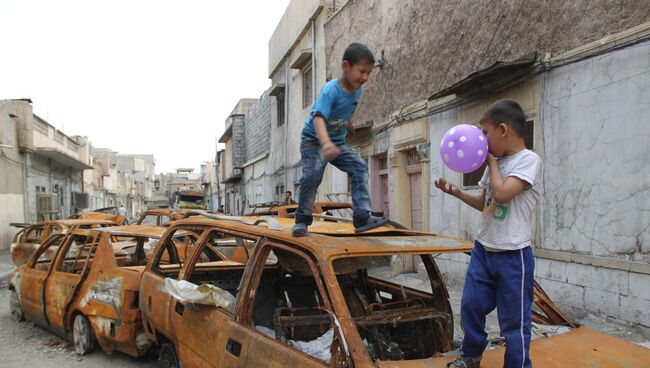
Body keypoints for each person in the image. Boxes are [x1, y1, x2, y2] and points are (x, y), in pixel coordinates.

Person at [436, 100, 542, 368]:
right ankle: (471, 357)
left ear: (503, 129)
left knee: (514, 322)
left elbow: (503, 194)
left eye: (484, 132)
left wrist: (492, 163)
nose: (481, 139)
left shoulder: (529, 160)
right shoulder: (495, 165)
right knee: (470, 305)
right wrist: (457, 192)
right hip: (484, 249)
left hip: (513, 255)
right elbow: (487, 203)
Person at [292, 43, 386, 237]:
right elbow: (318, 118)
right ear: (346, 66)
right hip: (314, 141)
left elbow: (347, 110)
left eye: (368, 73)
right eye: (361, 71)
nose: (365, 78)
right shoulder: (330, 91)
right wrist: (325, 143)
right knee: (312, 176)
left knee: (359, 167)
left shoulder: (357, 91)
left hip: (337, 142)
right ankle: (302, 220)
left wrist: (348, 125)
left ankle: (361, 217)